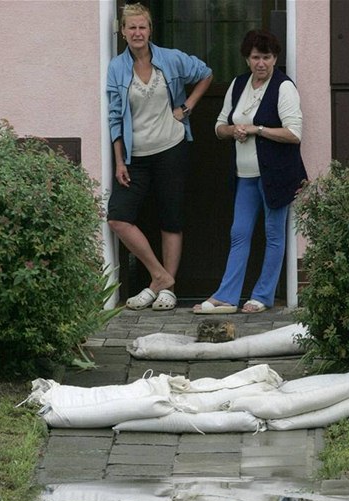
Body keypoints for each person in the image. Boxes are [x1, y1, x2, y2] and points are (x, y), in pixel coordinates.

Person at [107, 2, 212, 311]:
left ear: (150, 29)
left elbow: (206, 73)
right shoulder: (117, 67)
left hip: (171, 148)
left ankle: (165, 290)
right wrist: (119, 161)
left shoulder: (170, 58)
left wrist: (187, 106)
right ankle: (161, 276)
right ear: (123, 31)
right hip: (135, 156)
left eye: (142, 26)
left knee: (171, 218)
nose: (137, 32)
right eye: (132, 27)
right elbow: (115, 118)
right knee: (118, 217)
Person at [193, 29, 306, 315]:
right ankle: (227, 296)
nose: (261, 63)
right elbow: (219, 126)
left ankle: (263, 296)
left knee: (274, 233)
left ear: (275, 58)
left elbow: (294, 133)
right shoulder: (238, 84)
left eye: (267, 57)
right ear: (247, 59)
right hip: (244, 174)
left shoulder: (284, 87)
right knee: (239, 232)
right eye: (256, 57)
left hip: (277, 175)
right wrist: (233, 130)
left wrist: (257, 130)